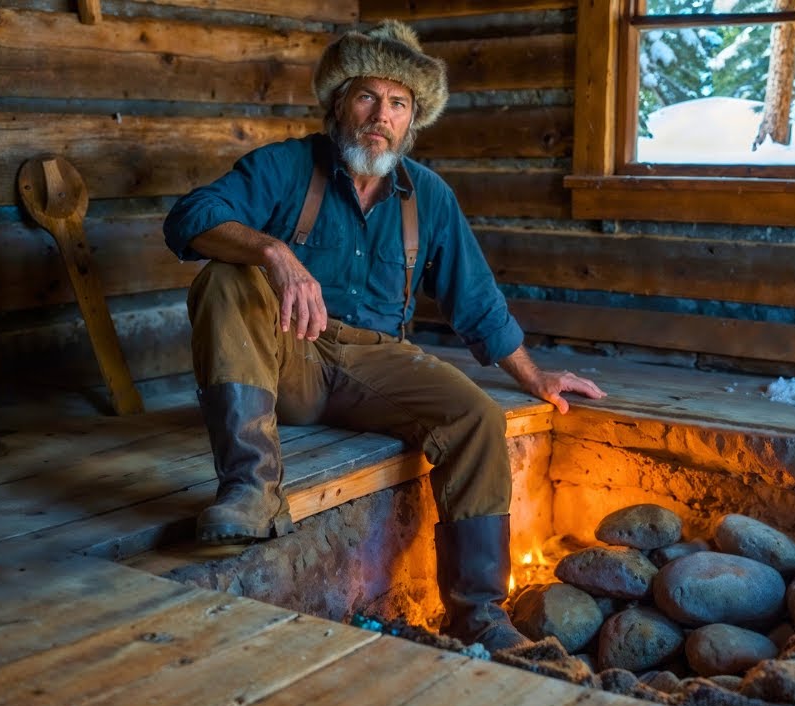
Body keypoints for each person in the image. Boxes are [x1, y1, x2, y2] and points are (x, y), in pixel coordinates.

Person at [162, 19, 605, 652]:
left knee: (478, 419)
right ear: (339, 103)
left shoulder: (427, 195)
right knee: (224, 279)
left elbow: (474, 300)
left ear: (412, 121)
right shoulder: (286, 166)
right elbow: (189, 218)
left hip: (376, 363)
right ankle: (250, 492)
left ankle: (478, 615)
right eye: (368, 96)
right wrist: (271, 251)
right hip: (290, 356)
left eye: (399, 104)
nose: (382, 115)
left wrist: (534, 377)